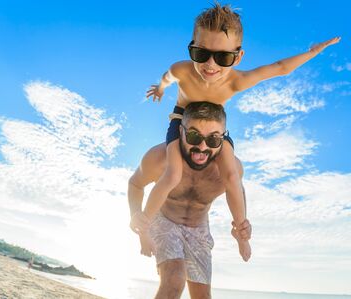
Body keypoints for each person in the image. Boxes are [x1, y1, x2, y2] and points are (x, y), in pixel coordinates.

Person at [139, 2, 340, 262]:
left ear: (238, 56)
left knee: (232, 173)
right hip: (182, 120)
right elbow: (168, 76)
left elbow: (280, 68)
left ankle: (241, 231)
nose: (210, 65)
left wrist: (313, 52)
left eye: (222, 57)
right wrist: (161, 88)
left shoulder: (237, 81)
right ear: (192, 48)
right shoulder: (182, 70)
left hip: (214, 127)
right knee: (173, 173)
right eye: (201, 53)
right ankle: (144, 226)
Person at [129, 102, 252, 298]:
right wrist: (136, 215)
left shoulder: (230, 170)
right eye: (194, 136)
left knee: (202, 296)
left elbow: (238, 190)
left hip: (199, 227)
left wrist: (242, 229)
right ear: (181, 130)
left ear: (223, 138)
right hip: (164, 219)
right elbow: (135, 184)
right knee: (174, 280)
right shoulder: (160, 158)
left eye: (213, 139)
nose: (202, 147)